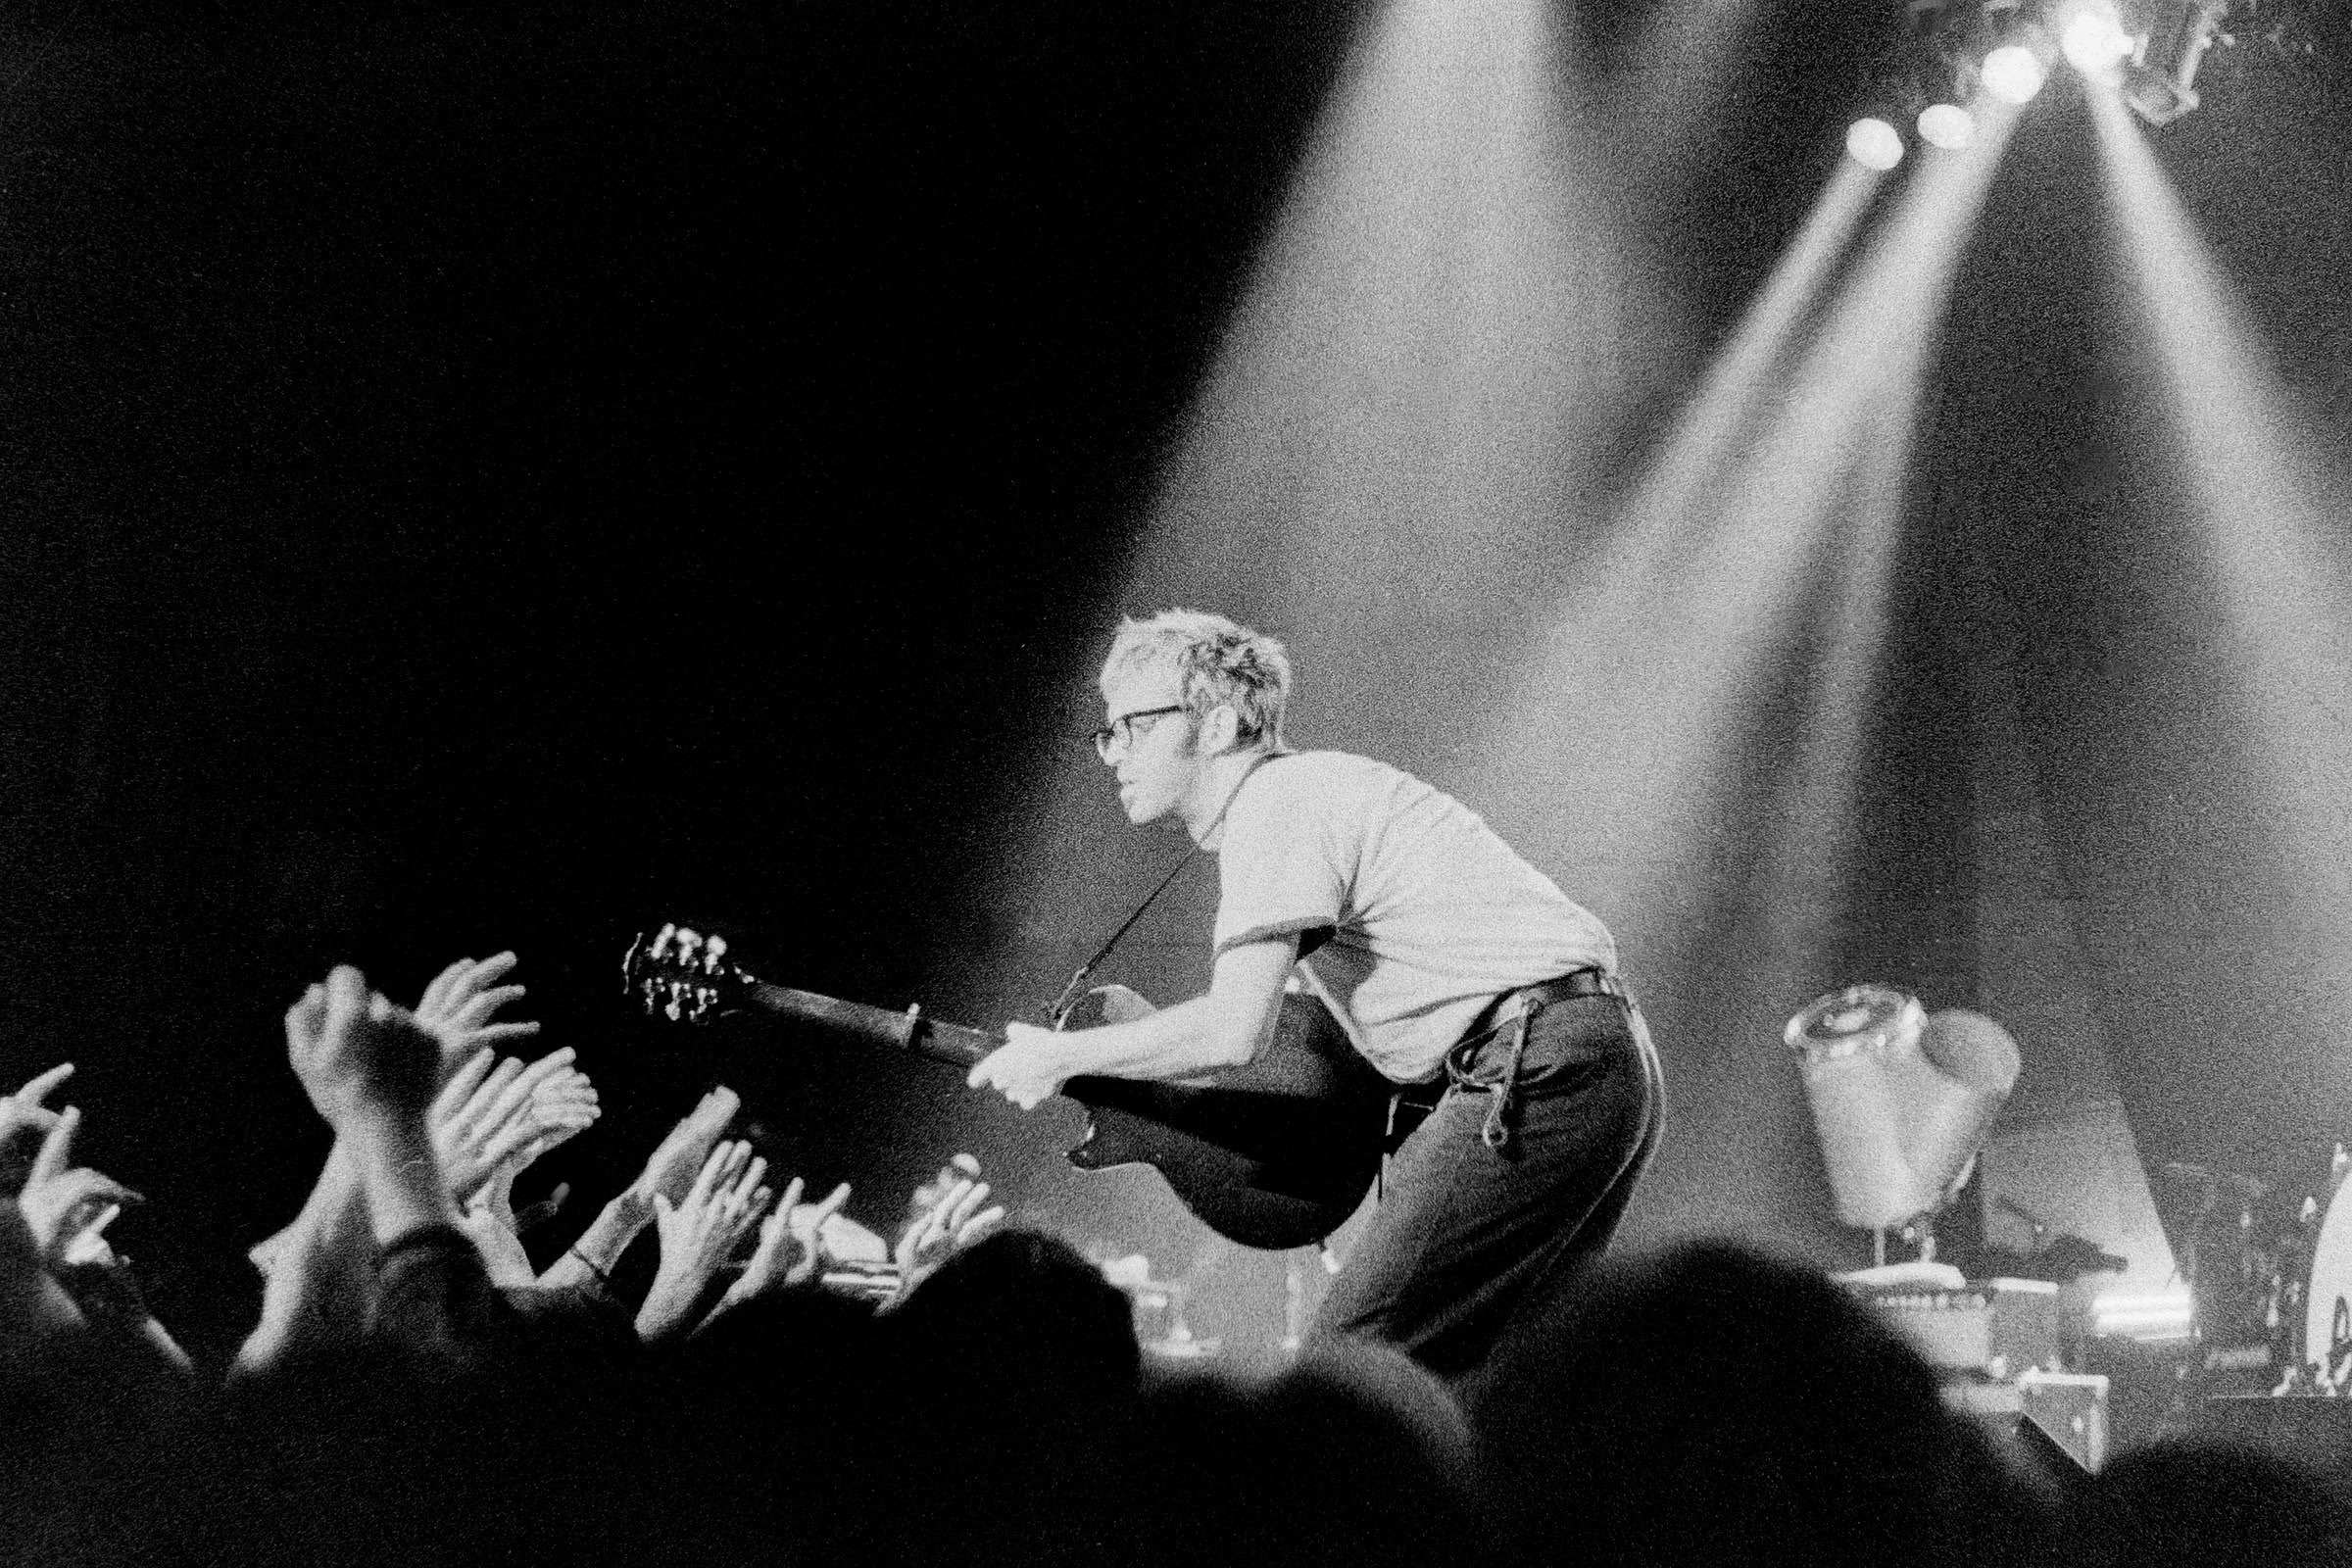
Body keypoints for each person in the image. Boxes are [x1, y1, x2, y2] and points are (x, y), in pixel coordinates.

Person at [969, 609, 1664, 1388]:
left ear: (1221, 724)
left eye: (1134, 726)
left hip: (1537, 1066)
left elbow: (1236, 1031)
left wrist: (1060, 1054)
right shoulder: (1316, 796)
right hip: (1592, 1056)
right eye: (1108, 733)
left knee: (1344, 1377)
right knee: (1502, 1390)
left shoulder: (1278, 802)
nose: (1114, 754)